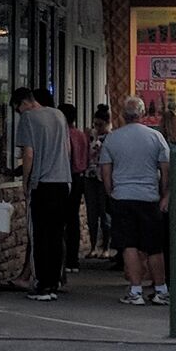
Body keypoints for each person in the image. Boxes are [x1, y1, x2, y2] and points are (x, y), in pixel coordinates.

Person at [99, 97, 170, 306]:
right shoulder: (156, 137)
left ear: (122, 114)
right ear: (142, 114)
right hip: (149, 197)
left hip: (123, 196)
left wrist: (111, 192)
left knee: (129, 245)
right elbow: (165, 170)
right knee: (154, 246)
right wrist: (163, 194)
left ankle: (136, 290)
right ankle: (161, 289)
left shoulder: (112, 139)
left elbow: (105, 172)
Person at [13, 88, 74, 300]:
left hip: (42, 183)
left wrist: (26, 180)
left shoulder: (29, 118)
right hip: (63, 180)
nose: (19, 113)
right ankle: (54, 282)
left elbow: (28, 154)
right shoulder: (59, 115)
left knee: (39, 235)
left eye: (17, 109)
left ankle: (41, 285)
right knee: (56, 234)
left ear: (23, 103)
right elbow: (67, 148)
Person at [83, 104, 114, 265]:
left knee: (105, 213)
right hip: (90, 176)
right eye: (95, 124)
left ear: (107, 123)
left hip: (104, 178)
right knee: (92, 213)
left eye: (100, 124)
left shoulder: (111, 137)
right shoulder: (90, 136)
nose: (97, 127)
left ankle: (106, 247)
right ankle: (93, 245)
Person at [62, 102, 89, 273]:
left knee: (63, 219)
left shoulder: (65, 135)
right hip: (80, 177)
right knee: (73, 219)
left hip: (67, 176)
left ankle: (66, 259)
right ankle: (73, 259)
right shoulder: (81, 135)